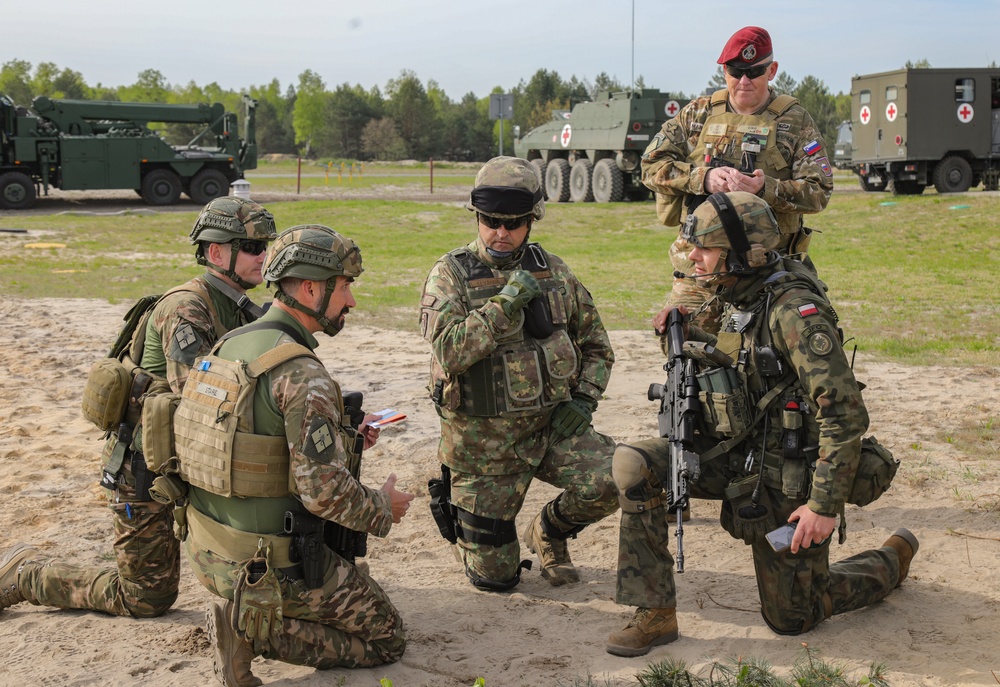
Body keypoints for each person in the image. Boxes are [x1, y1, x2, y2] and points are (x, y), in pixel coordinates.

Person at [606, 191, 916, 657]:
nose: (694, 257)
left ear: (742, 254)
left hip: (783, 478)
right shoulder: (737, 293)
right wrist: (687, 332)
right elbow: (741, 359)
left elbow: (845, 414)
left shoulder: (793, 312)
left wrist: (823, 507)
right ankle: (653, 613)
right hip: (734, 455)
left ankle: (891, 558)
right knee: (634, 464)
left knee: (794, 618)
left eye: (705, 248)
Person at [0, 197, 278, 619]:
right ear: (218, 252)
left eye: (267, 247)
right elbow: (203, 398)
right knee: (145, 598)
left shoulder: (239, 307)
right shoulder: (187, 309)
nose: (265, 257)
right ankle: (26, 575)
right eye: (255, 248)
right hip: (142, 467)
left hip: (187, 455)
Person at [176, 225, 413, 686]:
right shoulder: (303, 374)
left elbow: (251, 445)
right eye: (344, 287)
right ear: (310, 288)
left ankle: (246, 614)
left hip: (209, 551)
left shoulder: (230, 345)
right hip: (270, 565)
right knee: (388, 638)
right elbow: (324, 495)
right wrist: (384, 506)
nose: (351, 301)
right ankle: (249, 629)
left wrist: (344, 438)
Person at [420, 155, 619, 591]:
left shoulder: (555, 272)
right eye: (490, 221)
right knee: (497, 579)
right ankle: (475, 524)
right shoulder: (449, 276)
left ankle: (549, 532)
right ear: (476, 216)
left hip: (548, 432)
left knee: (619, 478)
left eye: (513, 223)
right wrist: (503, 306)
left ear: (532, 220)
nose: (500, 233)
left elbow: (598, 346)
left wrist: (584, 399)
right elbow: (450, 353)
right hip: (482, 451)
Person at [642, 26, 834, 334]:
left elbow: (819, 190)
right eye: (736, 71)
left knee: (778, 357)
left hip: (769, 270)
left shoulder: (794, 121)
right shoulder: (698, 114)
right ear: (724, 71)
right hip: (699, 271)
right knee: (684, 348)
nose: (744, 81)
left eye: (755, 71)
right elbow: (650, 165)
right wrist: (701, 179)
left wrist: (766, 188)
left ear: (772, 71)